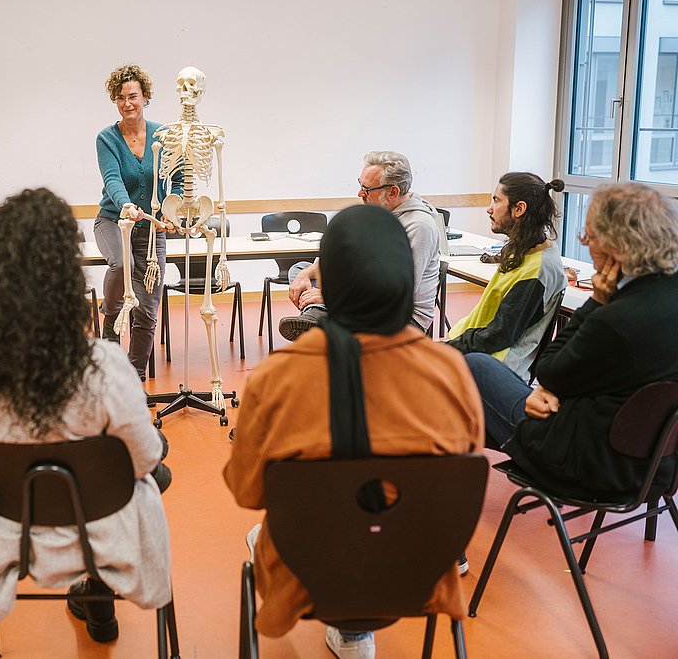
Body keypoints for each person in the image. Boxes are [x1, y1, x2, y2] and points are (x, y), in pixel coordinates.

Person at [225, 205, 482, 659]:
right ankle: (354, 633)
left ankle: (349, 629)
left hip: (308, 570)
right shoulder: (450, 372)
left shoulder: (277, 377)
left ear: (332, 283)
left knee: (279, 520)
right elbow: (459, 477)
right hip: (417, 569)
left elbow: (247, 490)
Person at [0, 188, 172, 646]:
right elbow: (142, 459)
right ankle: (96, 594)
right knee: (159, 467)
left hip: (4, 531)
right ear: (67, 272)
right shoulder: (104, 365)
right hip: (102, 531)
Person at [467, 182, 678, 496]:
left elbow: (549, 368)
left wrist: (597, 301)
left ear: (615, 245)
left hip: (585, 463)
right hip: (658, 464)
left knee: (474, 367)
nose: (586, 244)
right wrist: (554, 387)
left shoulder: (615, 319)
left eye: (589, 237)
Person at [280, 150, 440, 341]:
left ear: (393, 192)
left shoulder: (419, 226)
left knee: (317, 285)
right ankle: (318, 315)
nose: (360, 193)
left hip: (400, 317)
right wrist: (307, 274)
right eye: (360, 185)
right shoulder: (376, 212)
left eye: (368, 189)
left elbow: (397, 292)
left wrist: (335, 298)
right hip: (367, 294)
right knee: (300, 269)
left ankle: (318, 317)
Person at [93, 64, 179, 379]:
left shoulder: (164, 136)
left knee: (147, 308)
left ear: (145, 97)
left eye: (133, 96)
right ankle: (110, 319)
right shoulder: (107, 138)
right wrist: (125, 204)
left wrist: (174, 208)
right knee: (121, 264)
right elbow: (112, 179)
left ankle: (133, 376)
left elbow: (180, 177)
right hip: (114, 221)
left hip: (152, 228)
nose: (127, 103)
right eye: (120, 98)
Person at [445, 173, 567, 378]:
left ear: (519, 209)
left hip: (494, 366)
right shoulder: (525, 250)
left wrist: (447, 349)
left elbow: (498, 336)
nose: (489, 209)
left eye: (496, 200)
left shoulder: (539, 269)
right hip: (476, 352)